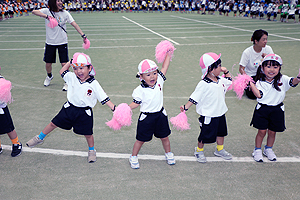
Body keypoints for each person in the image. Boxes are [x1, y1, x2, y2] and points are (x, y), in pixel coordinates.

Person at [26, 53, 116, 163]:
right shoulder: (72, 77)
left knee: (88, 134)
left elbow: (104, 97)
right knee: (53, 123)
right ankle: (39, 138)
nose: (79, 71)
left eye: (82, 68)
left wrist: (113, 108)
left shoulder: (94, 84)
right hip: (69, 109)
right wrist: (70, 62)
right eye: (76, 68)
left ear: (90, 68)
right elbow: (62, 71)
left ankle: (91, 150)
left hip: (84, 113)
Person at [180, 52, 232, 163]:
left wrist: (226, 71)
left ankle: (220, 149)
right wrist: (186, 107)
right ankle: (199, 150)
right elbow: (195, 97)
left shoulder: (220, 80)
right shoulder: (203, 84)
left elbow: (230, 81)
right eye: (218, 66)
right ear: (210, 69)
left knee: (221, 133)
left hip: (220, 113)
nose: (220, 68)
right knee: (204, 135)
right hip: (208, 115)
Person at [248, 54, 300, 162]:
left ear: (279, 68)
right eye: (268, 66)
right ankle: (257, 150)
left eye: (275, 67)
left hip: (277, 110)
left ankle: (268, 149)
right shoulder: (259, 82)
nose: (272, 70)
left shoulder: (283, 79)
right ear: (262, 68)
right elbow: (259, 95)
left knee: (272, 132)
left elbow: (293, 82)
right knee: (261, 132)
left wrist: (298, 78)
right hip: (262, 110)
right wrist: (251, 85)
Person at [128, 53, 175, 169]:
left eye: (154, 73)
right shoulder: (139, 90)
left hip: (160, 116)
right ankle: (133, 156)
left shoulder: (160, 80)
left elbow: (165, 67)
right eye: (148, 74)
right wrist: (126, 108)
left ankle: (168, 153)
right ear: (141, 76)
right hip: (146, 118)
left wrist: (168, 54)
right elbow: (136, 103)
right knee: (140, 140)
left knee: (165, 137)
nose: (152, 77)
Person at [32, 0, 87, 91]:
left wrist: (83, 35)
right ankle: (49, 76)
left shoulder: (65, 13)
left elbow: (74, 24)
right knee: (48, 63)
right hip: (50, 42)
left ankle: (67, 81)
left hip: (62, 42)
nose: (61, 2)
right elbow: (34, 12)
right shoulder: (47, 11)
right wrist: (47, 17)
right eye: (58, 1)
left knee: (64, 63)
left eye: (61, 1)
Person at [239, 29, 274, 99]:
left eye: (266, 39)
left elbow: (274, 64)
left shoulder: (268, 49)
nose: (266, 42)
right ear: (256, 41)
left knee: (273, 90)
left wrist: (267, 58)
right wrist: (248, 80)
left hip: (263, 74)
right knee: (252, 95)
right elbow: (241, 69)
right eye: (263, 39)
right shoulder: (247, 52)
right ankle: (247, 87)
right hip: (251, 76)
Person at [0, 70, 22, 157]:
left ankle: (16, 144)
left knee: (9, 129)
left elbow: (3, 98)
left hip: (2, 110)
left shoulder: (2, 81)